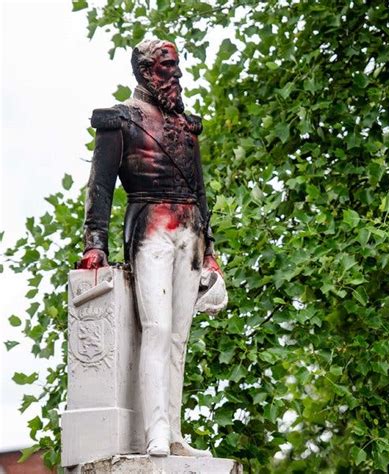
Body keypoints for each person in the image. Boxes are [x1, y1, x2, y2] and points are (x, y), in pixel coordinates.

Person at [78, 39, 224, 457]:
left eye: (176, 66)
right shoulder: (119, 121)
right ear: (145, 70)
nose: (175, 74)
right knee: (156, 331)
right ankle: (155, 431)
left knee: (179, 336)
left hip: (190, 231)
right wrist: (95, 243)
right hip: (150, 228)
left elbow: (199, 192)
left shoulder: (186, 126)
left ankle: (174, 433)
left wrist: (209, 249)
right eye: (166, 66)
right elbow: (100, 188)